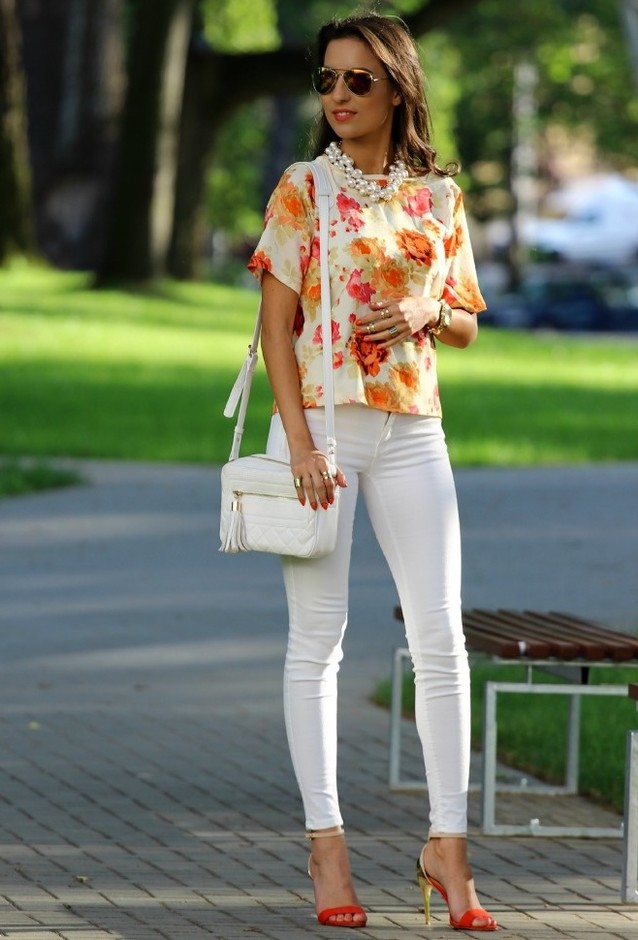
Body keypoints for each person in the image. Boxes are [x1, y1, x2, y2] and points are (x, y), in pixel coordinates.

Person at [247, 11, 498, 932]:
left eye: (359, 80)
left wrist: (429, 309)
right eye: (328, 80)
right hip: (323, 434)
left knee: (442, 640)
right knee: (318, 641)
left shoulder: (437, 196)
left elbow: (468, 320)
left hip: (414, 431)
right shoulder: (302, 188)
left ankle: (449, 848)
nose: (340, 96)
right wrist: (303, 441)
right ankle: (327, 848)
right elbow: (275, 329)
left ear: (397, 87)